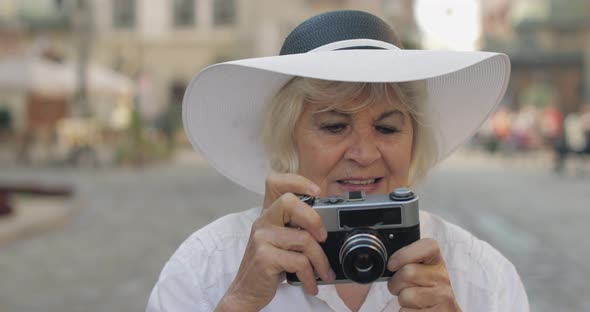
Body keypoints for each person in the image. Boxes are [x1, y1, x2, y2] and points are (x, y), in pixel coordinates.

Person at [146, 10, 529, 312]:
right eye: (333, 127)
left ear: (415, 140)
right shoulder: (208, 267)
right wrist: (240, 302)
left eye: (388, 128)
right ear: (287, 139)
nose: (364, 154)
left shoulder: (481, 277)